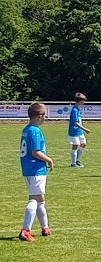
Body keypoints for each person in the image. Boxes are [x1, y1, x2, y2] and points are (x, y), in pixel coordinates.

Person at [18, 103, 54, 241]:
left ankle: (45, 227)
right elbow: (35, 152)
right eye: (45, 115)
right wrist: (49, 160)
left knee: (40, 199)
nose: (46, 118)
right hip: (35, 168)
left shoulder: (27, 129)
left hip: (29, 168)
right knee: (34, 198)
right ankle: (25, 230)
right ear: (39, 116)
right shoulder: (35, 131)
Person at [68, 92, 91, 168]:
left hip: (79, 132)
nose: (84, 102)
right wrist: (85, 129)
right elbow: (75, 123)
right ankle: (73, 163)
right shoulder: (74, 110)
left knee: (83, 144)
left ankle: (76, 160)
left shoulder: (77, 109)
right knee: (75, 146)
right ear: (80, 101)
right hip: (74, 131)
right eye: (83, 100)